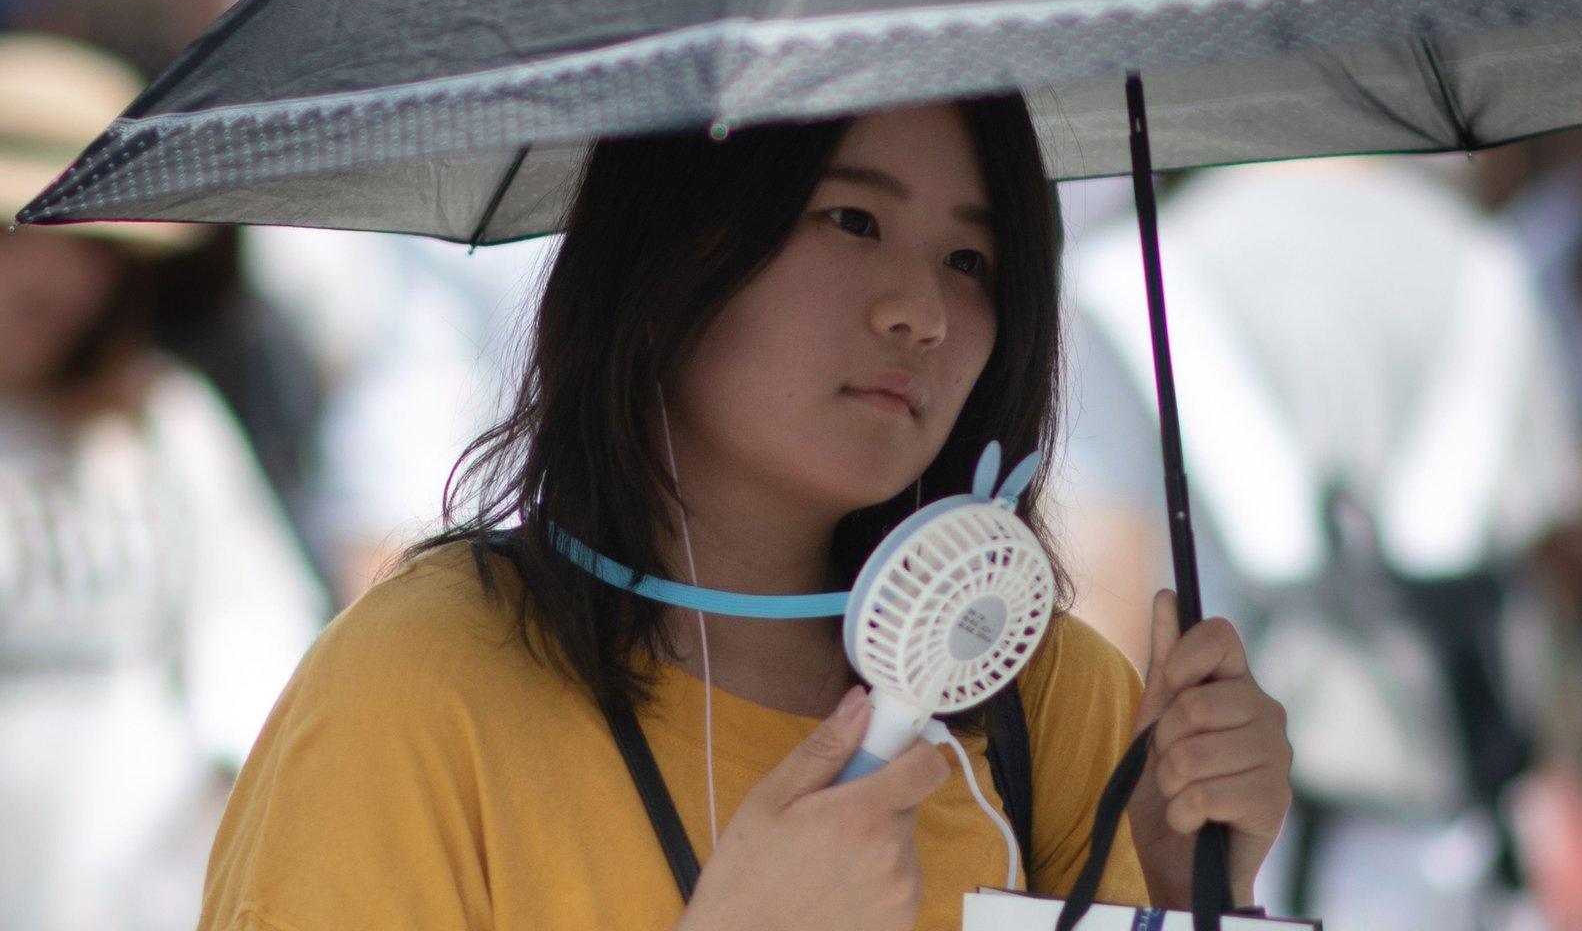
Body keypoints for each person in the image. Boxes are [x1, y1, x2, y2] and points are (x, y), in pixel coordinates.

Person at [199, 99, 1294, 931]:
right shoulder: (417, 686)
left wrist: (1197, 887)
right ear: (669, 246)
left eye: (971, 258)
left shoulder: (1038, 698)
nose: (919, 311)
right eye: (851, 219)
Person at [1055, 155, 1582, 931]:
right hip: (1469, 860)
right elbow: (1542, 618)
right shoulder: (1489, 267)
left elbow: (1104, 635)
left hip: (1225, 855)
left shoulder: (1120, 283)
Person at [0, 32, 327, 931]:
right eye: (19, 241)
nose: (54, 280)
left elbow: (256, 617)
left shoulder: (164, 421)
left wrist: (219, 784)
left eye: (89, 249)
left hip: (155, 886)